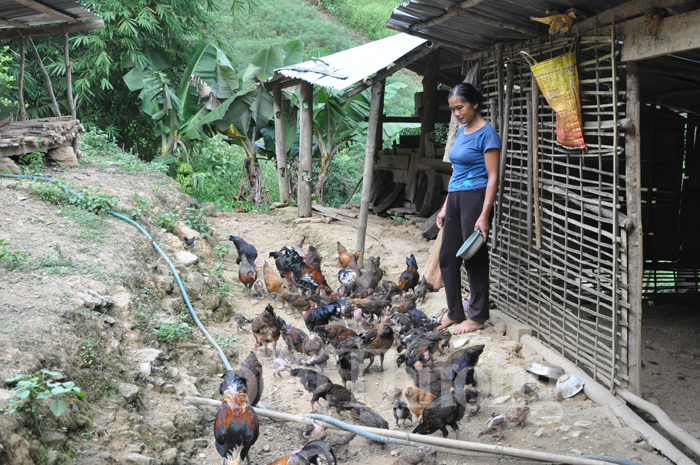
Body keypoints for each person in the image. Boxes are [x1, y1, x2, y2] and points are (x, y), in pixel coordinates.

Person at [435, 83, 500, 334]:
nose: (457, 113)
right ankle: (454, 312)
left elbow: (493, 176)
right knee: (446, 257)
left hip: (476, 198)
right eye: (453, 109)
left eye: (460, 107)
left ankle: (478, 316)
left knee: (474, 258)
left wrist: (484, 214)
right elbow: (457, 172)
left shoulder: (487, 134)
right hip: (456, 197)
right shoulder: (462, 132)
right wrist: (444, 206)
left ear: (474, 103)